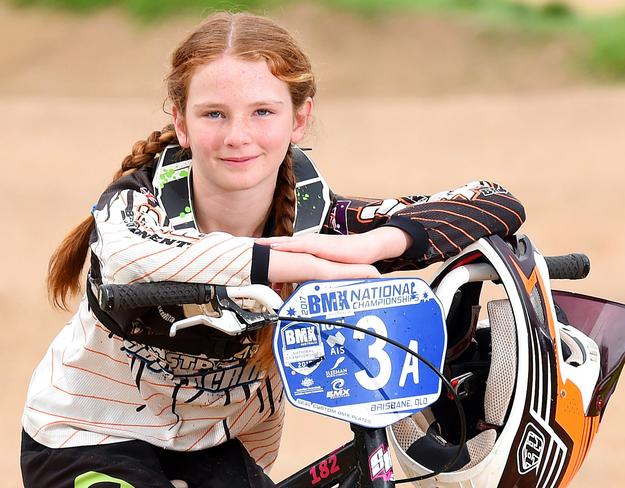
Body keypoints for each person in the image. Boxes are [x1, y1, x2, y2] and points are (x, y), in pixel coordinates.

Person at [21, 11, 526, 488]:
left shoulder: (323, 221)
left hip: (217, 444)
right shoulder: (138, 201)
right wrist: (306, 263)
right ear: (181, 123)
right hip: (88, 431)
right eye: (213, 114)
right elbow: (136, 260)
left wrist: (365, 247)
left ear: (299, 119)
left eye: (263, 111)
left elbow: (493, 200)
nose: (238, 136)